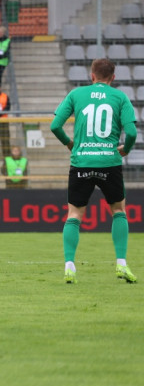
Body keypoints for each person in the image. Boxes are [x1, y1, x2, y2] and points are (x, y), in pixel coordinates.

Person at [49, 58, 138, 285]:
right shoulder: (120, 97)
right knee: (118, 211)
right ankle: (121, 263)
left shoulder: (76, 94)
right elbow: (132, 133)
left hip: (82, 162)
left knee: (74, 215)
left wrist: (70, 143)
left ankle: (69, 266)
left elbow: (55, 126)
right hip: (109, 162)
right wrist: (125, 149)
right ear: (113, 77)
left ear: (92, 75)